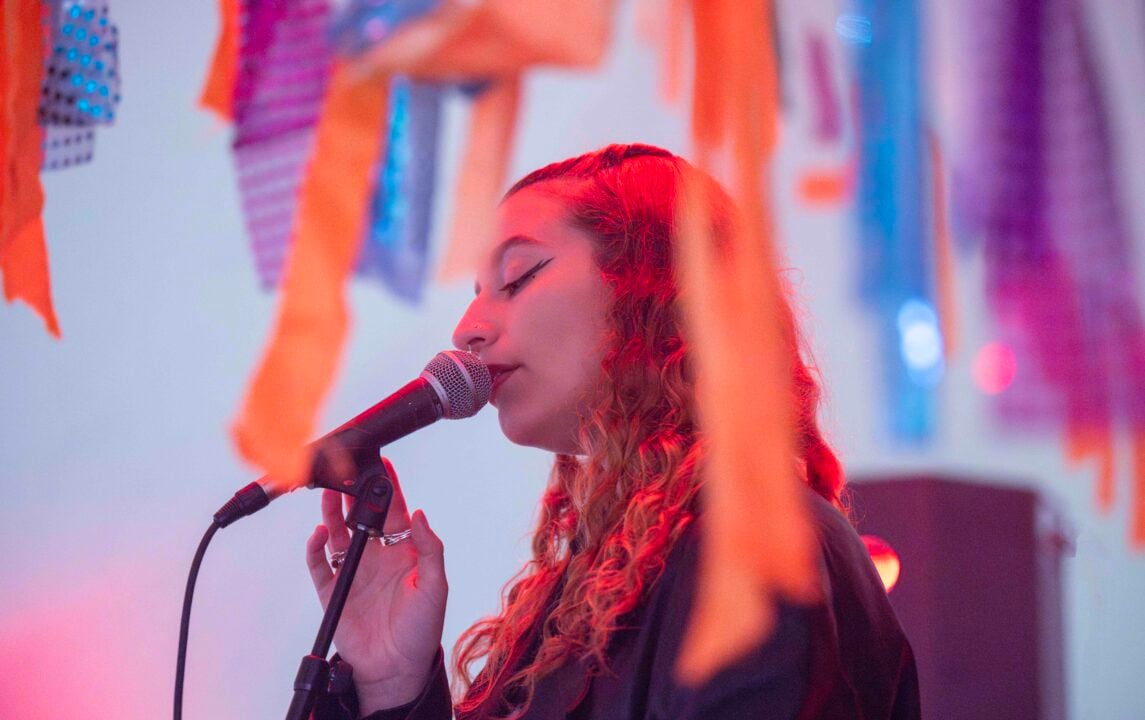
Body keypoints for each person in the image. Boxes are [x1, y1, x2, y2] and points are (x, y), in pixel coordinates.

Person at [305, 144, 921, 719]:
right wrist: (393, 684)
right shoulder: (599, 581)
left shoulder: (757, 552)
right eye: (475, 293)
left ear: (654, 288)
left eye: (517, 277)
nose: (467, 328)